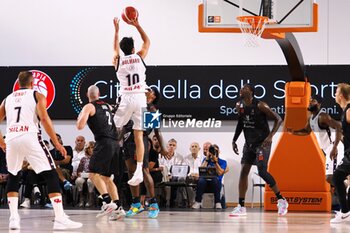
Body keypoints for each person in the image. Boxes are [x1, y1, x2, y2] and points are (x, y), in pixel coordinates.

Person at [0, 71, 82, 230]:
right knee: (51, 174)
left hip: (11, 138)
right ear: (32, 83)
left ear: (18, 84)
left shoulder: (7, 99)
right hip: (30, 136)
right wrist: (57, 144)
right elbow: (44, 119)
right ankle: (59, 219)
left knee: (14, 176)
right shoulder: (37, 95)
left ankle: (14, 218)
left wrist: (1, 142)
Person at [230, 84, 288, 216]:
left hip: (263, 144)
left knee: (262, 171)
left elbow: (278, 119)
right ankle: (241, 206)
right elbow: (241, 123)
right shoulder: (239, 105)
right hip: (249, 144)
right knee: (244, 171)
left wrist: (270, 136)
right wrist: (234, 140)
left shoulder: (261, 105)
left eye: (244, 88)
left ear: (250, 92)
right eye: (241, 88)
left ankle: (281, 200)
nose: (241, 90)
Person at [76, 85, 125, 220]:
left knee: (92, 173)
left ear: (88, 94)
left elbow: (79, 126)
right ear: (99, 94)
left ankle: (107, 202)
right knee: (106, 178)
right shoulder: (108, 106)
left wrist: (81, 114)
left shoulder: (89, 106)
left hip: (103, 142)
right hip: (115, 143)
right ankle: (118, 207)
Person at [112, 17, 151, 186]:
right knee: (139, 136)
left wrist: (116, 30)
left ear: (122, 49)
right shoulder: (140, 56)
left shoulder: (118, 60)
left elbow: (114, 49)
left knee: (112, 132)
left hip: (127, 98)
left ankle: (109, 168)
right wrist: (137, 25)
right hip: (140, 98)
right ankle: (139, 169)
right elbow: (147, 41)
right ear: (134, 49)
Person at [290, 96, 343, 210]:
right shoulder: (311, 118)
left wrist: (334, 147)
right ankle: (344, 200)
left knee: (331, 177)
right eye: (309, 100)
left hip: (334, 147)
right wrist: (293, 132)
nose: (310, 102)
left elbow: (338, 126)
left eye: (313, 101)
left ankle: (344, 201)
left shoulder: (323, 116)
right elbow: (306, 131)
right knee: (333, 178)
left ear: (319, 104)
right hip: (327, 149)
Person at [122, 87, 163, 218]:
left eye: (150, 89)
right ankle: (136, 204)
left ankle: (153, 204)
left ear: (153, 96)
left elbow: (157, 131)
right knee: (131, 172)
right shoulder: (135, 104)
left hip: (140, 140)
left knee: (144, 171)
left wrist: (163, 147)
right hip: (128, 140)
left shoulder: (151, 109)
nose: (146, 90)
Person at [330, 83, 350, 223]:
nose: (335, 95)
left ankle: (345, 212)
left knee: (337, 176)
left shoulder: (349, 110)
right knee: (339, 177)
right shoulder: (345, 111)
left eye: (336, 92)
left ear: (341, 96)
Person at [192, 144, 227, 209]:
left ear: (219, 152)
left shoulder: (223, 162)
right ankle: (198, 202)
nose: (214, 153)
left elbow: (220, 173)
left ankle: (217, 202)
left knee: (215, 179)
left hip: (216, 183)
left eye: (216, 151)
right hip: (204, 183)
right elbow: (201, 171)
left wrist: (215, 162)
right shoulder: (206, 160)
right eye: (213, 151)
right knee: (201, 180)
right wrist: (207, 159)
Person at [75, 141, 95, 208]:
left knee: (90, 181)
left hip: (95, 176)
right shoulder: (83, 159)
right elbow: (79, 170)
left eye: (92, 148)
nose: (90, 149)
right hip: (85, 174)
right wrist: (79, 173)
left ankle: (90, 199)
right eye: (88, 148)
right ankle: (81, 198)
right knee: (79, 180)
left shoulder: (98, 158)